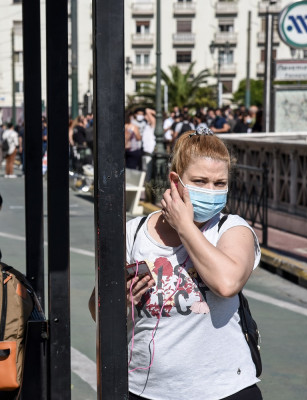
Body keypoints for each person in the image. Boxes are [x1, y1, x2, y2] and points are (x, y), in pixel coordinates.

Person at [88, 126, 262, 400]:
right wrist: (119, 299)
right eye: (200, 181)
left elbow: (226, 284)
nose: (211, 190)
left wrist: (184, 226)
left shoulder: (232, 229)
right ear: (175, 181)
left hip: (225, 390)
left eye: (220, 184)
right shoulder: (134, 232)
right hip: (144, 390)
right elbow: (97, 310)